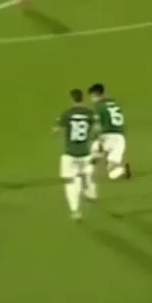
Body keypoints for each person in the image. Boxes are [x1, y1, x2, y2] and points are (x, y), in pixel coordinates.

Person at [55, 89, 98, 220]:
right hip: (85, 153)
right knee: (86, 174)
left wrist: (58, 126)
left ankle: (75, 210)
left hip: (70, 154)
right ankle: (89, 190)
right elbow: (98, 129)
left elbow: (56, 130)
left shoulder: (67, 114)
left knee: (70, 181)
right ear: (82, 98)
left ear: (72, 99)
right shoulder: (90, 113)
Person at [88, 83, 131, 180]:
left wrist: (97, 139)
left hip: (106, 136)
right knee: (111, 172)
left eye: (92, 96)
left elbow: (97, 126)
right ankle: (123, 170)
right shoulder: (114, 103)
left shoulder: (99, 106)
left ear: (96, 95)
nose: (91, 99)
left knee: (94, 156)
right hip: (120, 138)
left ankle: (85, 176)